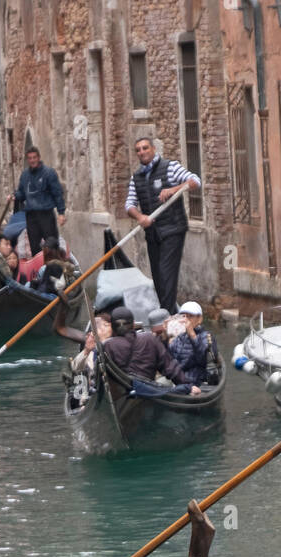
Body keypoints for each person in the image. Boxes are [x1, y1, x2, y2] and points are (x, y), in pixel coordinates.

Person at [126, 136, 200, 313]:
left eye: (145, 148)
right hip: (153, 233)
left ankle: (165, 317)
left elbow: (195, 181)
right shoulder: (136, 177)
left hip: (173, 229)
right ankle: (169, 313)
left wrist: (173, 189)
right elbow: (129, 205)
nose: (142, 152)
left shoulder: (170, 167)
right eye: (138, 150)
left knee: (166, 273)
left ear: (153, 149)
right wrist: (139, 217)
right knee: (158, 278)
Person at [103, 306, 200, 394]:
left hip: (121, 395)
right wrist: (189, 386)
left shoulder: (107, 346)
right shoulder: (149, 339)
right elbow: (170, 367)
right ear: (133, 324)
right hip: (148, 393)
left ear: (112, 328)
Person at [14, 147, 65, 256]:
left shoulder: (49, 173)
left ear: (39, 158)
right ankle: (39, 271)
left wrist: (61, 213)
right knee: (35, 247)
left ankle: (55, 268)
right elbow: (22, 194)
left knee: (52, 245)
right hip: (31, 216)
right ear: (28, 160)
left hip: (46, 214)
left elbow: (57, 193)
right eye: (30, 158)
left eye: (34, 157)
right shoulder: (24, 175)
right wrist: (14, 196)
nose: (32, 160)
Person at [169, 301, 220, 386]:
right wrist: (164, 337)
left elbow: (202, 360)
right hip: (177, 377)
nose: (186, 320)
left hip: (195, 379)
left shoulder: (206, 336)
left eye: (190, 316)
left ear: (200, 319)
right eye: (183, 316)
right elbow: (169, 357)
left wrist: (192, 335)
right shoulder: (179, 336)